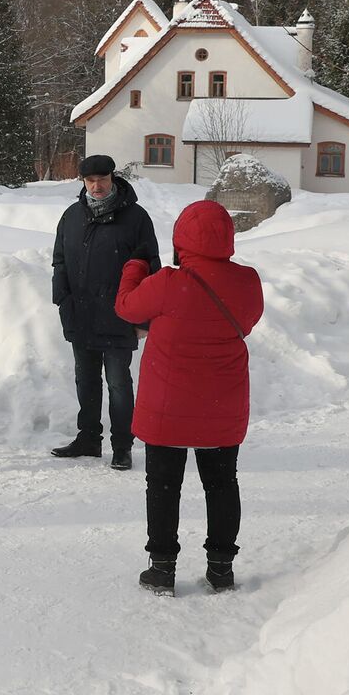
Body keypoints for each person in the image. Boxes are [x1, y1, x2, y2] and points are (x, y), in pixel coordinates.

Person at [115, 200, 264, 595]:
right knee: (222, 484)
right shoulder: (248, 281)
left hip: (169, 409)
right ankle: (221, 569)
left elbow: (127, 308)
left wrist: (134, 269)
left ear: (182, 240)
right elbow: (247, 321)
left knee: (164, 487)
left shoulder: (166, 283)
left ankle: (162, 569)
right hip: (222, 406)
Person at [50, 154, 160, 470]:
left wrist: (143, 316)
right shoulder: (72, 216)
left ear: (112, 178)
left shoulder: (136, 218)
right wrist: (63, 300)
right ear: (83, 182)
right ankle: (88, 439)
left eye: (102, 179)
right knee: (85, 380)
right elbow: (59, 260)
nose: (96, 186)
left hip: (119, 315)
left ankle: (122, 446)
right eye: (90, 181)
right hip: (81, 314)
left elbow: (150, 267)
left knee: (118, 384)